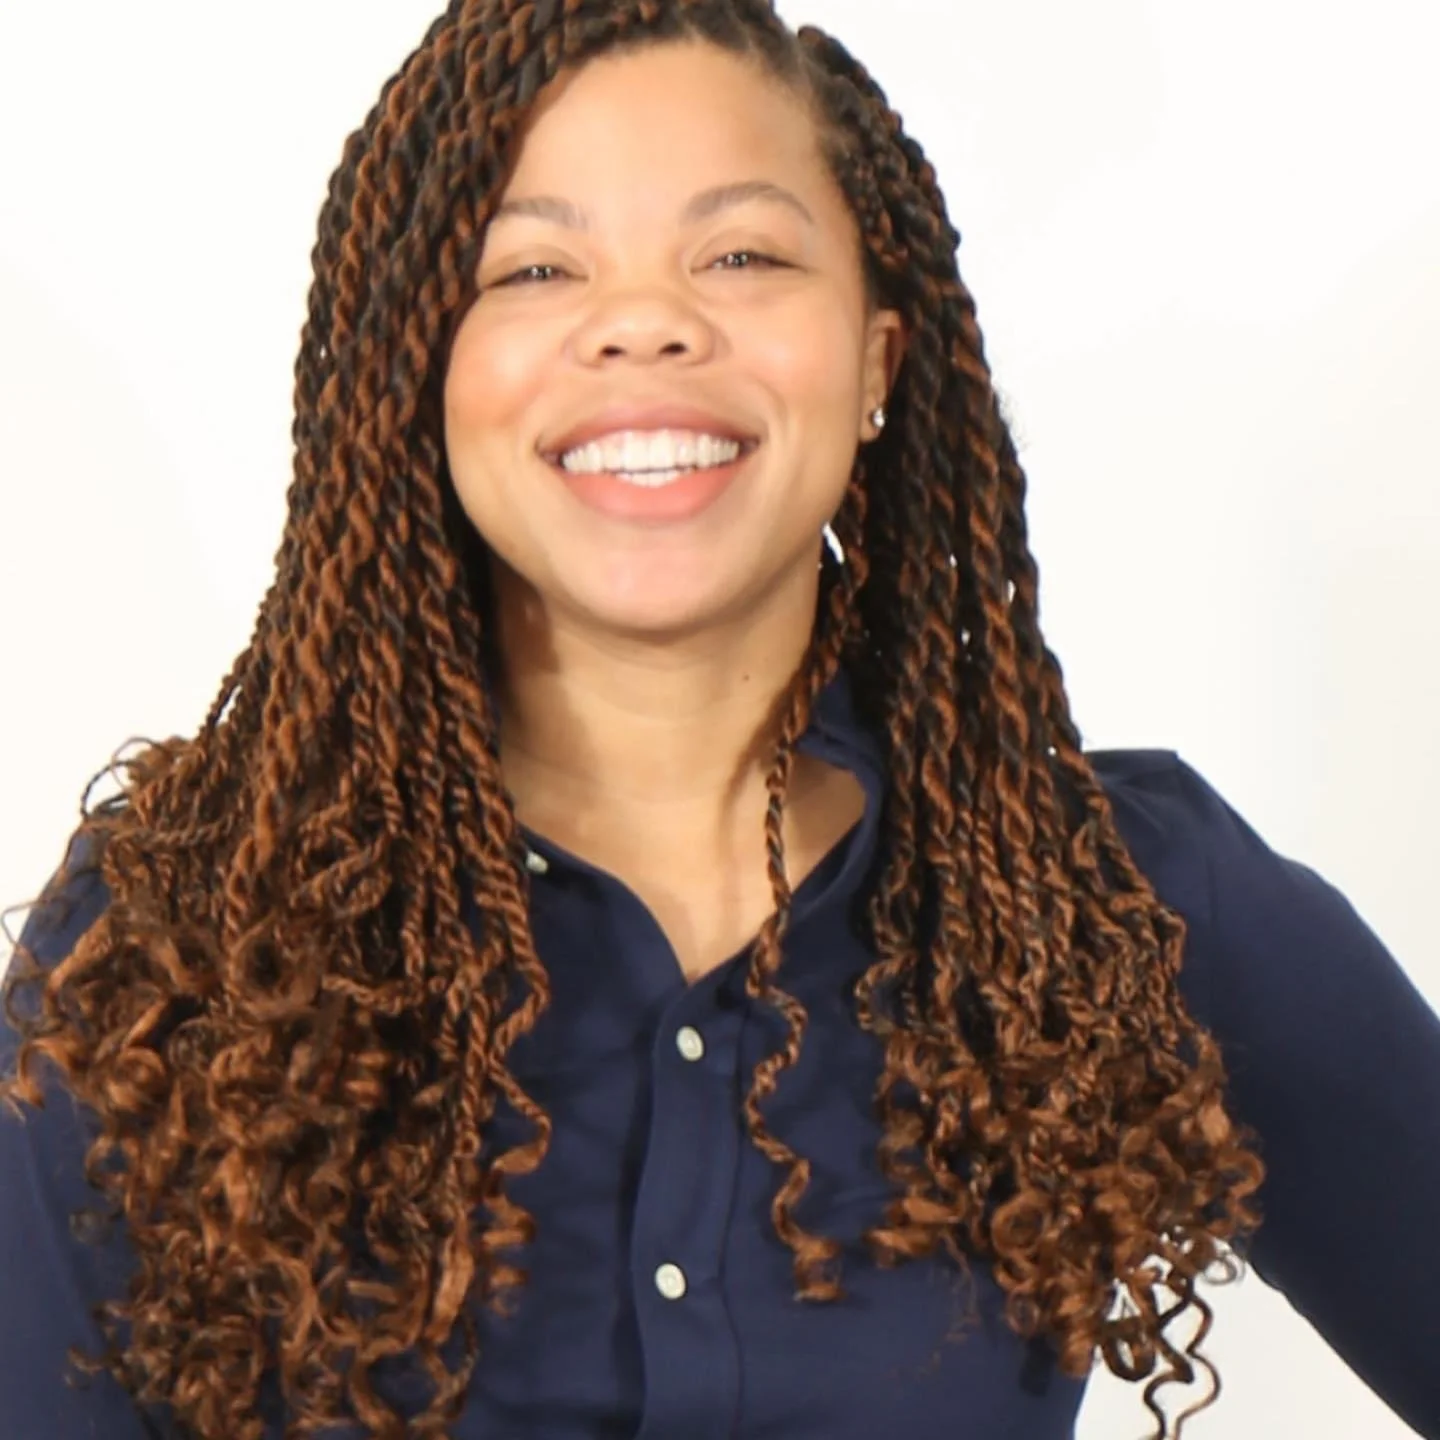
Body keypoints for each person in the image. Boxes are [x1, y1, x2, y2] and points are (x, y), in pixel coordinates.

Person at [2, 3, 1437, 1438]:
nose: (646, 321)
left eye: (742, 255)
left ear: (876, 364)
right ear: (420, 376)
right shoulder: (170, 948)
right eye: (535, 266)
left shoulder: (1113, 909)